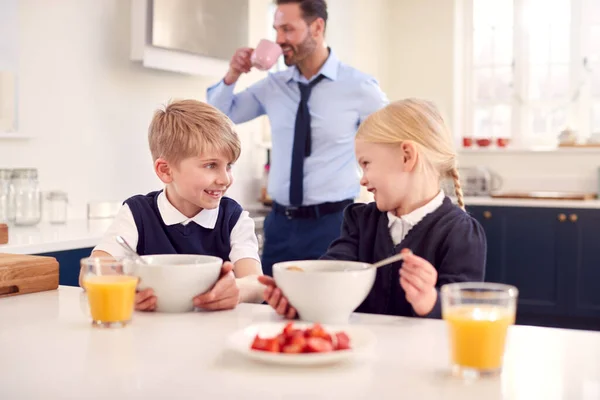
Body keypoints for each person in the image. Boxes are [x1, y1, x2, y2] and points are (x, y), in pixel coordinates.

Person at [258, 99, 487, 319]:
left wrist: (430, 301)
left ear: (407, 156)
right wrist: (299, 299)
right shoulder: (359, 220)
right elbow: (332, 274)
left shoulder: (461, 233)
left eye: (366, 164)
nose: (363, 180)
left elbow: (464, 313)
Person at [207, 0, 388, 276]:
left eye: (288, 30)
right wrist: (233, 74)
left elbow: (390, 145)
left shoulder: (361, 88)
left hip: (336, 225)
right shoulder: (274, 86)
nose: (279, 40)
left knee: (329, 310)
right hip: (281, 225)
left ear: (317, 27)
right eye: (276, 30)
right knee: (270, 309)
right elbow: (218, 114)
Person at [83, 100, 264, 311]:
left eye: (229, 166)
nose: (225, 179)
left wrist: (238, 290)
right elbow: (92, 271)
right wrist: (125, 290)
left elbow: (257, 284)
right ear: (165, 171)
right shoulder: (137, 213)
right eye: (211, 165)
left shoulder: (234, 218)